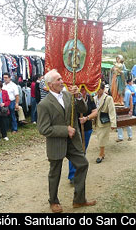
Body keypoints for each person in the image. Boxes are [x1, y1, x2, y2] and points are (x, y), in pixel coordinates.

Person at [37, 69, 96, 213]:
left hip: (72, 141)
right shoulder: (44, 104)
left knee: (83, 164)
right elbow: (43, 129)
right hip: (57, 143)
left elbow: (84, 109)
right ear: (51, 84)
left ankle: (79, 200)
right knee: (55, 173)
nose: (62, 81)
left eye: (61, 78)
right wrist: (65, 130)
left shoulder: (68, 95)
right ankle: (53, 202)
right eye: (58, 80)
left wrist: (77, 96)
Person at [68, 85, 96, 182]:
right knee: (74, 151)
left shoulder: (90, 99)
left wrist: (86, 118)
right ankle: (72, 175)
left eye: (84, 89)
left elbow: (95, 112)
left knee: (82, 151)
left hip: (86, 129)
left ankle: (80, 171)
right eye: (81, 89)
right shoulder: (72, 99)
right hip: (75, 129)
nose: (82, 91)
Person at [92, 81, 117, 164]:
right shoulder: (94, 98)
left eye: (99, 89)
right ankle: (102, 153)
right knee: (99, 137)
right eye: (96, 89)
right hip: (97, 121)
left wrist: (113, 123)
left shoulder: (108, 98)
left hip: (105, 121)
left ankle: (100, 154)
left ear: (103, 89)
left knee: (102, 138)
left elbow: (112, 111)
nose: (97, 91)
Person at [117, 78, 134, 142]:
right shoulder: (119, 92)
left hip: (125, 109)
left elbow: (131, 102)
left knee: (127, 123)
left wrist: (131, 110)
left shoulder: (127, 92)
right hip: (120, 109)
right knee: (119, 123)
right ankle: (121, 137)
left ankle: (129, 136)